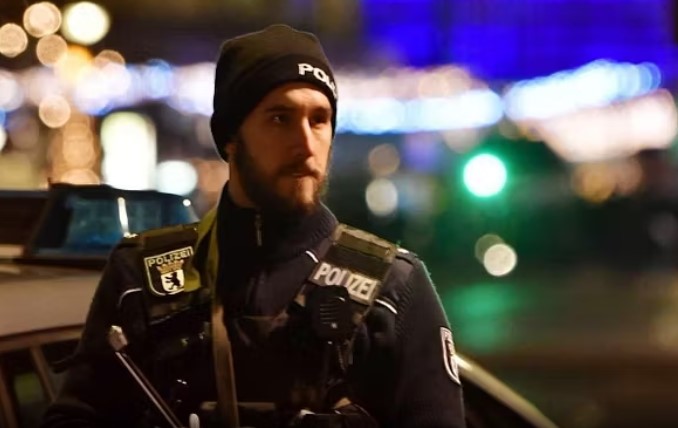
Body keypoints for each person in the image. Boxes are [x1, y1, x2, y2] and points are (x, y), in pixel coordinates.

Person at [41, 24, 466, 428]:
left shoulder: (393, 288)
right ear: (230, 136)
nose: (306, 143)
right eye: (280, 118)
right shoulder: (143, 277)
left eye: (319, 119)